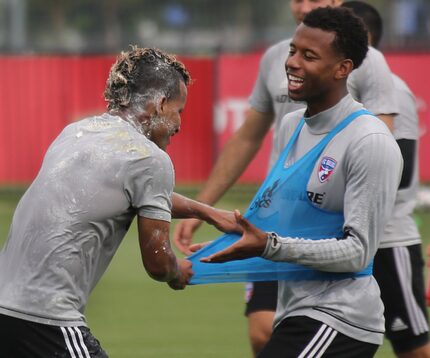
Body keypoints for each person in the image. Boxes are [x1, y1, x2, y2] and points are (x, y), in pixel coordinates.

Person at [174, 0, 399, 355]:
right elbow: (286, 224)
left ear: (343, 68)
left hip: (340, 319)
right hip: (296, 311)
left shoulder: (369, 140)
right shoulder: (293, 125)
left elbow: (358, 253)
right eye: (293, 50)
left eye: (309, 56)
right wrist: (230, 248)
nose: (292, 62)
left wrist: (266, 246)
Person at [0, 46, 239, 357]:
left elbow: (139, 194)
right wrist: (178, 271)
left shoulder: (76, 132)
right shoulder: (150, 158)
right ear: (160, 104)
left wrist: (206, 213)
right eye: (179, 111)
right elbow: (157, 261)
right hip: (46, 318)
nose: (180, 124)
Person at [342, 2, 430, 357]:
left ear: (362, 40)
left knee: (413, 348)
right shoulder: (333, 92)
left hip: (389, 241)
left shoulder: (393, 91)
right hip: (343, 239)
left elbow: (402, 171)